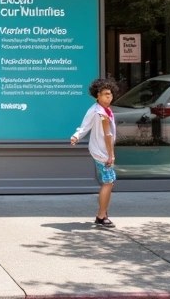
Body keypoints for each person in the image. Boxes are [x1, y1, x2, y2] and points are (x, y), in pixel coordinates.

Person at [70, 77, 119, 228]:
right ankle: (101, 216)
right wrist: (76, 136)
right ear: (97, 95)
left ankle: (103, 213)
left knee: (109, 182)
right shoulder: (98, 112)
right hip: (102, 152)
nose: (108, 97)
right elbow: (89, 128)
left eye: (110, 94)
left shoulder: (105, 109)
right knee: (108, 182)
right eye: (105, 94)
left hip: (103, 150)